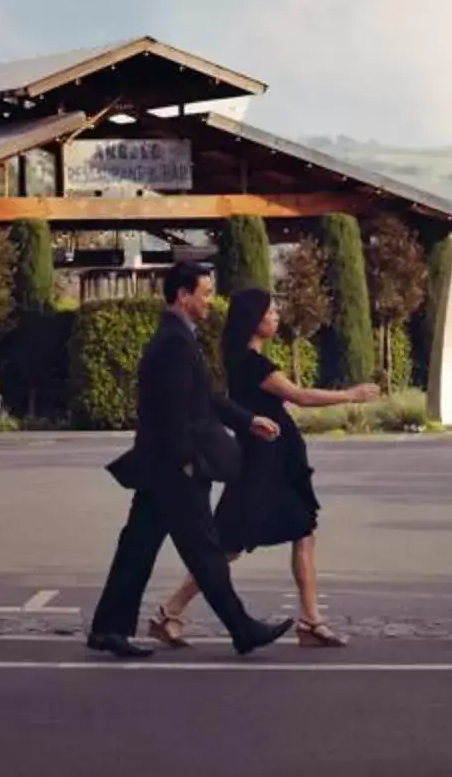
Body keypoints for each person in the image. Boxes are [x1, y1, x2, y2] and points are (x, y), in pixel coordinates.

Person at [86, 260, 294, 659]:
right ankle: (242, 629)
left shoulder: (179, 337)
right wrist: (186, 461)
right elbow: (175, 411)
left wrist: (248, 421)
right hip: (175, 469)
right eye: (205, 293)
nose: (210, 301)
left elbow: (207, 398)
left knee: (138, 547)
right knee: (205, 552)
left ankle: (108, 629)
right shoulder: (174, 342)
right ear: (183, 296)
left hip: (160, 467)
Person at [153, 286, 381, 649]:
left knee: (304, 530)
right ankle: (170, 611)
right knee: (228, 545)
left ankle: (311, 621)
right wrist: (351, 395)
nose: (277, 317)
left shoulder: (248, 360)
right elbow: (300, 397)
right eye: (271, 312)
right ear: (254, 320)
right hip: (260, 463)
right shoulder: (250, 363)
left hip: (281, 458)